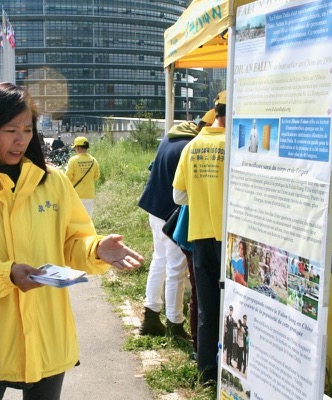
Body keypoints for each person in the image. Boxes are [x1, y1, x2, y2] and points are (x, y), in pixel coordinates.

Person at [0, 82, 144, 400]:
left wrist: (96, 248)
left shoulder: (52, 181)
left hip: (48, 334)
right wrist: (7, 274)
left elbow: (73, 243)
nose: (20, 140)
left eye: (27, 130)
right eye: (10, 130)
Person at [173, 89, 227, 384]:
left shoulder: (191, 146)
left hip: (201, 237)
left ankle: (206, 375)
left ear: (215, 113)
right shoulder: (238, 146)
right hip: (233, 240)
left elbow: (179, 196)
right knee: (236, 308)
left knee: (207, 308)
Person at [137, 122, 197, 340]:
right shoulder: (189, 146)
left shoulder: (167, 140)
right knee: (176, 269)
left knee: (159, 260)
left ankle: (150, 316)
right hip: (171, 213)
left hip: (154, 208)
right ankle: (175, 323)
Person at [65, 136, 100, 217]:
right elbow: (97, 176)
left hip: (76, 194)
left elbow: (68, 177)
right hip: (89, 194)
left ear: (78, 147)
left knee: (76, 218)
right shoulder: (93, 160)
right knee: (87, 218)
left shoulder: (73, 160)